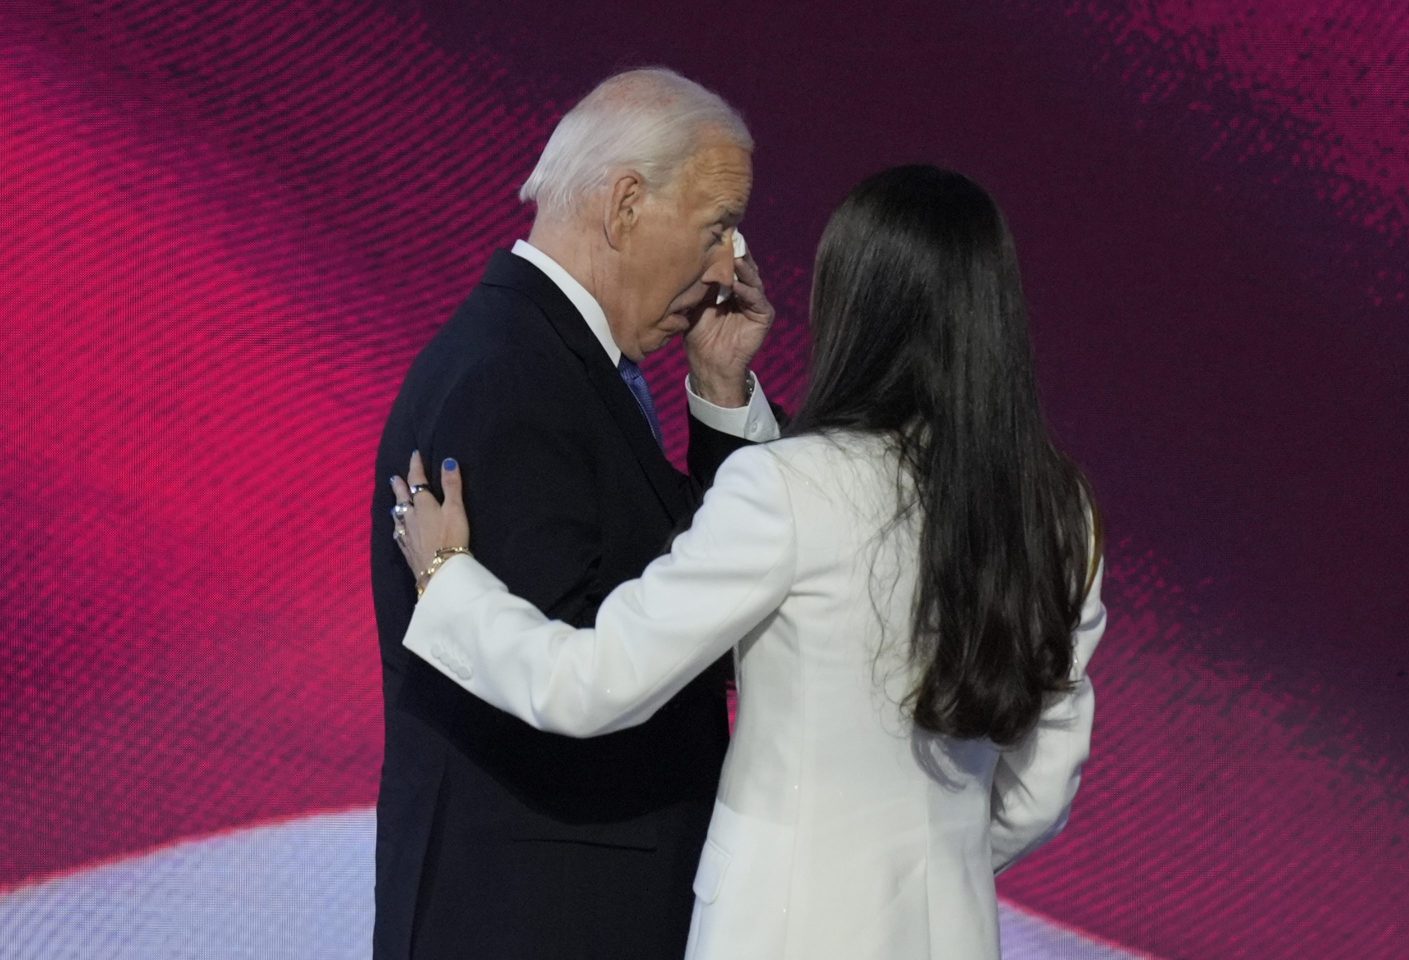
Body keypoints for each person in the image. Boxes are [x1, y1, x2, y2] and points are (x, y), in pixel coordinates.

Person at [385, 165, 1107, 959]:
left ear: (853, 307)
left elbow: (592, 683)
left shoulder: (788, 486)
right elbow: (1039, 792)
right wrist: (930, 866)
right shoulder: (1059, 512)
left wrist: (448, 580)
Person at [370, 68, 781, 960]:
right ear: (626, 205)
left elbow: (702, 586)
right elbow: (591, 662)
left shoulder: (564, 366)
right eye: (717, 229)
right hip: (539, 919)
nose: (729, 270)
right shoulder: (509, 378)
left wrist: (720, 394)